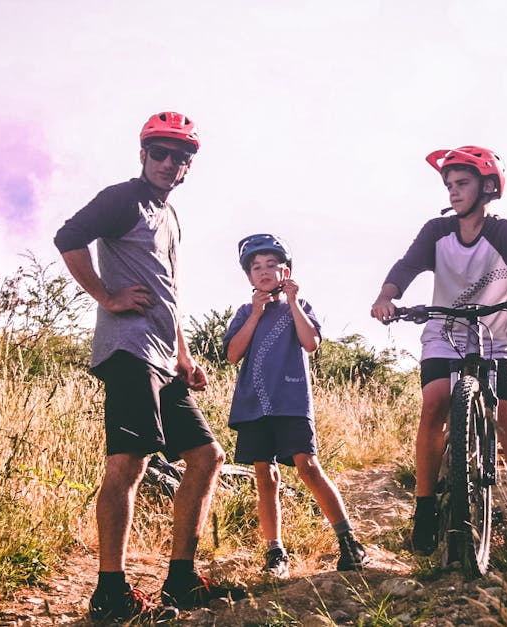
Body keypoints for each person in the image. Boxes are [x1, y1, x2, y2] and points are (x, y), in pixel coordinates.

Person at [54, 111, 245, 621]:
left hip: (164, 357)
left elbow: (169, 293)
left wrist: (183, 354)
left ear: (188, 167)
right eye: (159, 153)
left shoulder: (170, 215)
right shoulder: (123, 198)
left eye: (179, 157)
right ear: (143, 155)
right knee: (130, 464)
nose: (168, 162)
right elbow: (67, 238)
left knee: (206, 458)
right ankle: (110, 591)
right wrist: (106, 296)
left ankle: (181, 581)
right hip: (129, 352)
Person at [369, 145, 507, 554]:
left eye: (462, 183)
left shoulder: (504, 233)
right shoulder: (436, 232)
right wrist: (386, 297)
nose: (453, 192)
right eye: (449, 185)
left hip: (494, 339)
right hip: (443, 332)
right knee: (435, 401)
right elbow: (405, 268)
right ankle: (425, 510)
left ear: (488, 186)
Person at [223, 233, 368, 578]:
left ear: (285, 271)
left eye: (271, 265)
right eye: (256, 267)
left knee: (308, 466)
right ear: (248, 276)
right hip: (253, 405)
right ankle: (275, 553)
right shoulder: (245, 312)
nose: (263, 271)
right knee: (265, 475)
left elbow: (311, 343)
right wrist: (256, 314)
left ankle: (349, 542)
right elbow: (232, 355)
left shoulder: (300, 307)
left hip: (290, 401)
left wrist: (293, 303)